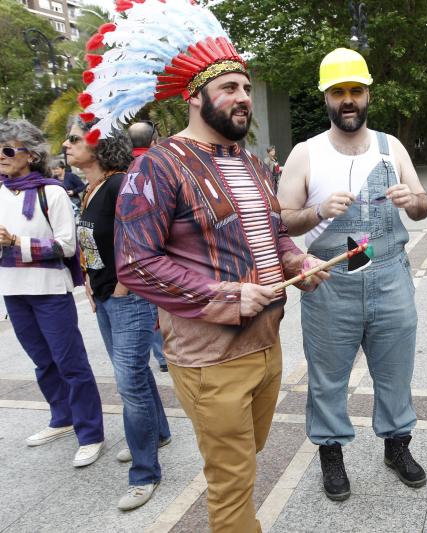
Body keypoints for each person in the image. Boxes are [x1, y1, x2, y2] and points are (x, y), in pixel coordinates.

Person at [79, 0, 328, 528]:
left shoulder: (252, 163)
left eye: (245, 87)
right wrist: (229, 294)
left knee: (248, 457)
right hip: (210, 357)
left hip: (269, 344)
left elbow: (273, 233)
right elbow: (135, 265)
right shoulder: (159, 167)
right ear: (195, 98)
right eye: (229, 88)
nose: (242, 98)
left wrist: (297, 258)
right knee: (232, 482)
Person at [279, 47, 427, 501]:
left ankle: (397, 446)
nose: (349, 99)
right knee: (327, 377)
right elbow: (281, 220)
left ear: (368, 95)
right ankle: (331, 454)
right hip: (331, 285)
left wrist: (413, 201)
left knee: (396, 371)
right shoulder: (305, 154)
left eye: (356, 91)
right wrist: (316, 211)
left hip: (391, 279)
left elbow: (424, 207)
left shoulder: (392, 147)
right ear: (327, 97)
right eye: (339, 92)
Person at [65, 116, 171, 511]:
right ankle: (157, 433)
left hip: (128, 299)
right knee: (137, 375)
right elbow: (93, 245)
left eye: (75, 139)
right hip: (105, 297)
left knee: (129, 384)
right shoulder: (89, 190)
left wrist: (125, 287)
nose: (66, 144)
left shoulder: (119, 185)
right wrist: (92, 283)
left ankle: (145, 474)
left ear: (98, 145)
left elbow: (141, 240)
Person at [0, 119, 105, 467]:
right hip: (13, 289)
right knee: (41, 361)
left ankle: (90, 433)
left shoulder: (53, 192)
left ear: (29, 155)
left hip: (50, 290)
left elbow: (67, 246)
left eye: (8, 150)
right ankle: (62, 418)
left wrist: (17, 242)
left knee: (70, 362)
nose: (1, 156)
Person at [127, 120, 169, 373]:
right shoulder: (161, 164)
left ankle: (160, 355)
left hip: (130, 255)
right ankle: (166, 354)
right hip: (158, 249)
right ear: (153, 141)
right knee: (158, 305)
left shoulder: (118, 169)